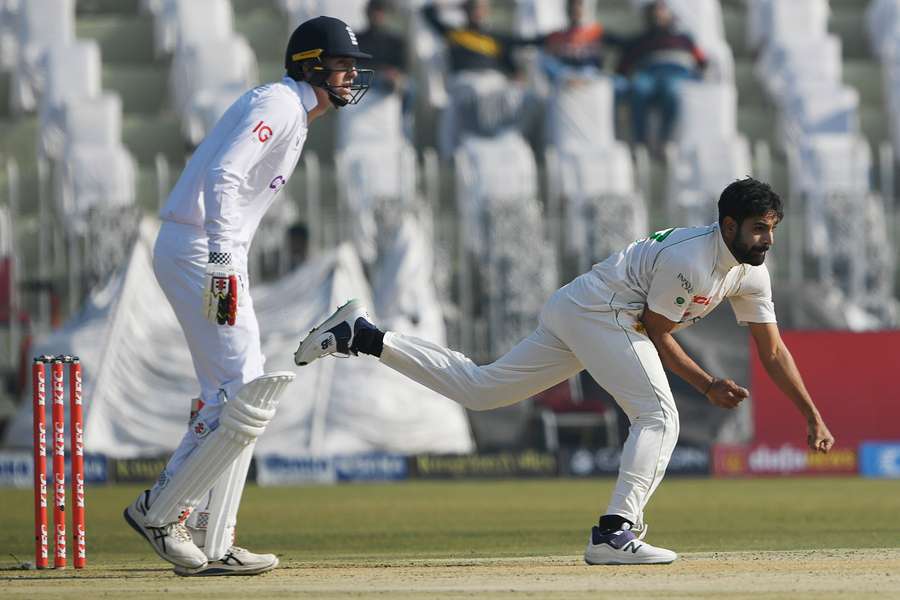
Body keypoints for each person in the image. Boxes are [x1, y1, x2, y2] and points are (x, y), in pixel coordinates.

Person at [295, 177, 835, 565]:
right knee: (659, 416)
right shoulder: (693, 259)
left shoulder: (747, 272)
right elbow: (656, 328)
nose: (767, 238)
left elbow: (773, 352)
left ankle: (363, 336)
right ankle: (615, 531)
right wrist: (707, 384)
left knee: (482, 391)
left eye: (772, 229)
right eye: (759, 228)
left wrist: (811, 415)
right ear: (728, 224)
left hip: (581, 309)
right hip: (604, 313)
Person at [123, 16, 373, 577]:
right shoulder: (280, 105)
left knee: (240, 392)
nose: (351, 74)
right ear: (312, 64)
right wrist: (219, 260)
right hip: (201, 248)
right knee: (242, 392)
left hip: (204, 248)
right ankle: (161, 512)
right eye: (342, 64)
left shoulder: (293, 112)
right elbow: (224, 176)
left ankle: (213, 539)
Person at [613, 0, 707, 150]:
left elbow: (701, 60)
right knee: (638, 88)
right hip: (649, 73)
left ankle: (666, 140)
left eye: (661, 10)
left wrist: (700, 74)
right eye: (654, 12)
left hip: (676, 73)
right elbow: (624, 66)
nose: (658, 15)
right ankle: (640, 143)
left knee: (671, 90)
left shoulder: (684, 38)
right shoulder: (641, 40)